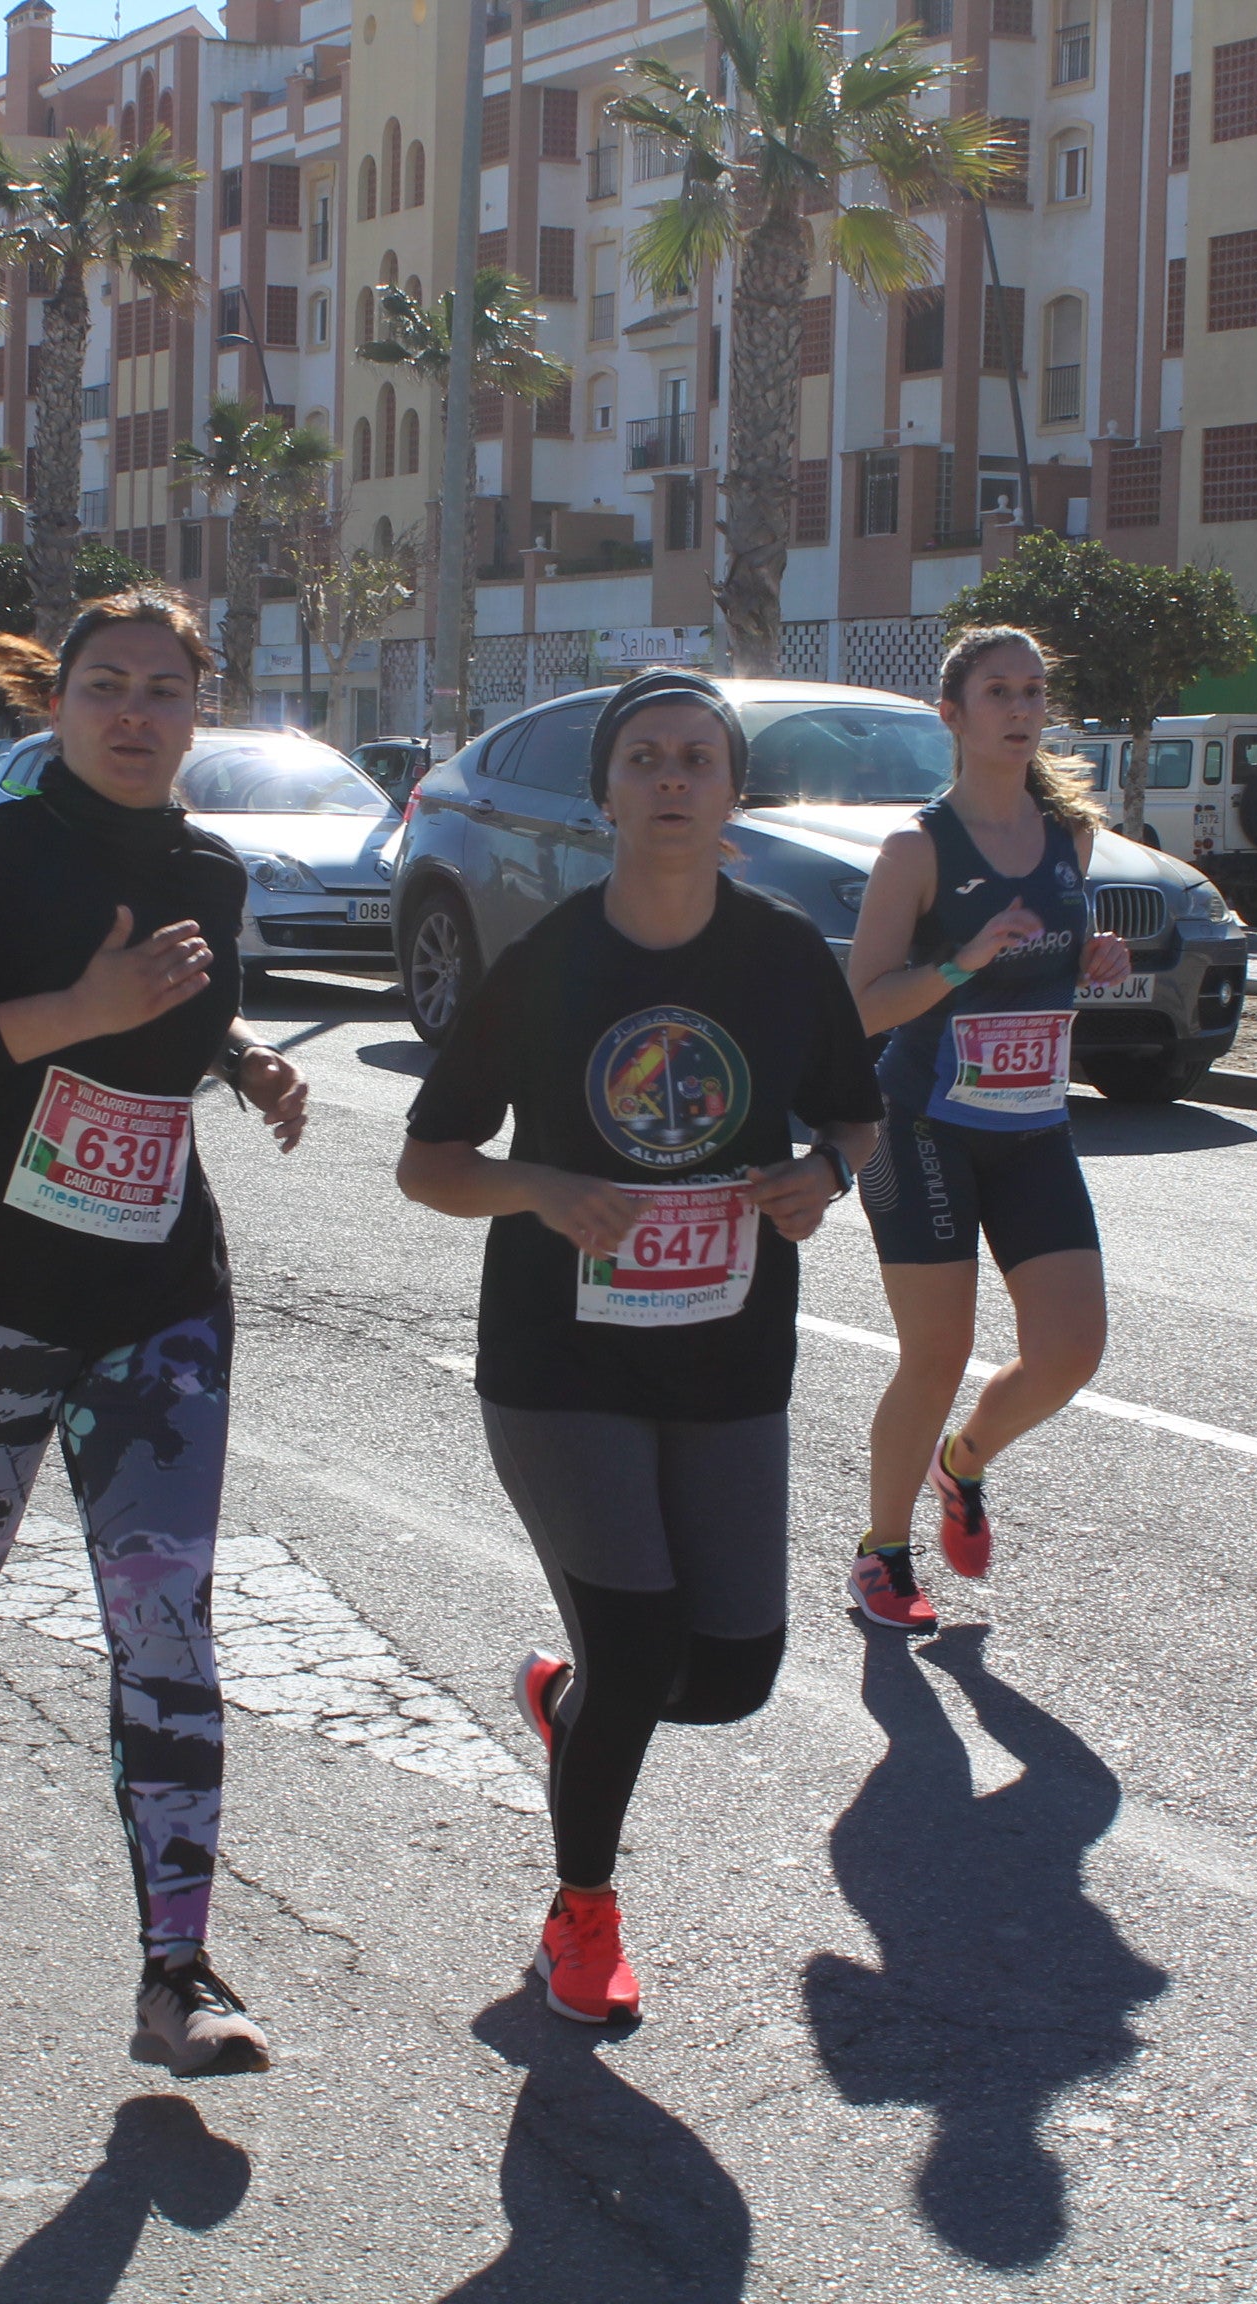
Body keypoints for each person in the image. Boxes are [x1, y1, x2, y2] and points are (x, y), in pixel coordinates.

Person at [0, 592, 309, 2079]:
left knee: (166, 1624)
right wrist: (73, 1008)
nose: (134, 714)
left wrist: (235, 1060)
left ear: (200, 708)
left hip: (157, 1302)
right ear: (58, 703)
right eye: (106, 685)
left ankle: (179, 1975)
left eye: (166, 690)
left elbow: (178, 1016)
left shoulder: (210, 871)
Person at [397, 669, 881, 2024]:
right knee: (641, 1639)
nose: (673, 779)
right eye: (646, 760)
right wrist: (539, 1189)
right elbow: (428, 1163)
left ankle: (570, 1709)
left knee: (727, 1676)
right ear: (606, 792)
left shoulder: (782, 953)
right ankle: (583, 1918)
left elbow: (853, 1119)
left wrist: (824, 1181)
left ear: (733, 795)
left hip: (729, 1354)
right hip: (562, 1362)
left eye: (699, 761)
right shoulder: (550, 961)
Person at [842, 627, 1135, 1631]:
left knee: (1071, 1350)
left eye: (1034, 692)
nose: (1021, 709)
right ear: (953, 717)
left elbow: (1048, 968)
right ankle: (881, 1556)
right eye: (998, 692)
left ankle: (961, 1463)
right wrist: (962, 963)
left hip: (1032, 1125)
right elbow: (864, 1006)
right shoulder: (917, 849)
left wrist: (1090, 963)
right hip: (919, 1124)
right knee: (937, 1350)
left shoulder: (1069, 838)